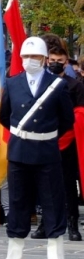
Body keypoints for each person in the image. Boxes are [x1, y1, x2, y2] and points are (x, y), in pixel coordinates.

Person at [0, 37, 74, 259]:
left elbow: (66, 120)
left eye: (35, 57)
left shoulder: (57, 85)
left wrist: (45, 135)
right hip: (20, 151)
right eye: (26, 57)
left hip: (46, 151)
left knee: (52, 201)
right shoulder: (12, 83)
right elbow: (5, 117)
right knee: (18, 201)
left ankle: (55, 253)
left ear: (44, 59)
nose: (30, 61)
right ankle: (15, 252)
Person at [32, 35, 84, 241]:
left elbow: (79, 114)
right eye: (51, 61)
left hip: (67, 142)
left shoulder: (76, 85)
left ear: (66, 61)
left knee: (68, 185)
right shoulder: (40, 83)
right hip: (45, 141)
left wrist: (65, 135)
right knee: (44, 185)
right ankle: (46, 223)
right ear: (46, 61)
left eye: (59, 61)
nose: (55, 64)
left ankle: (72, 224)